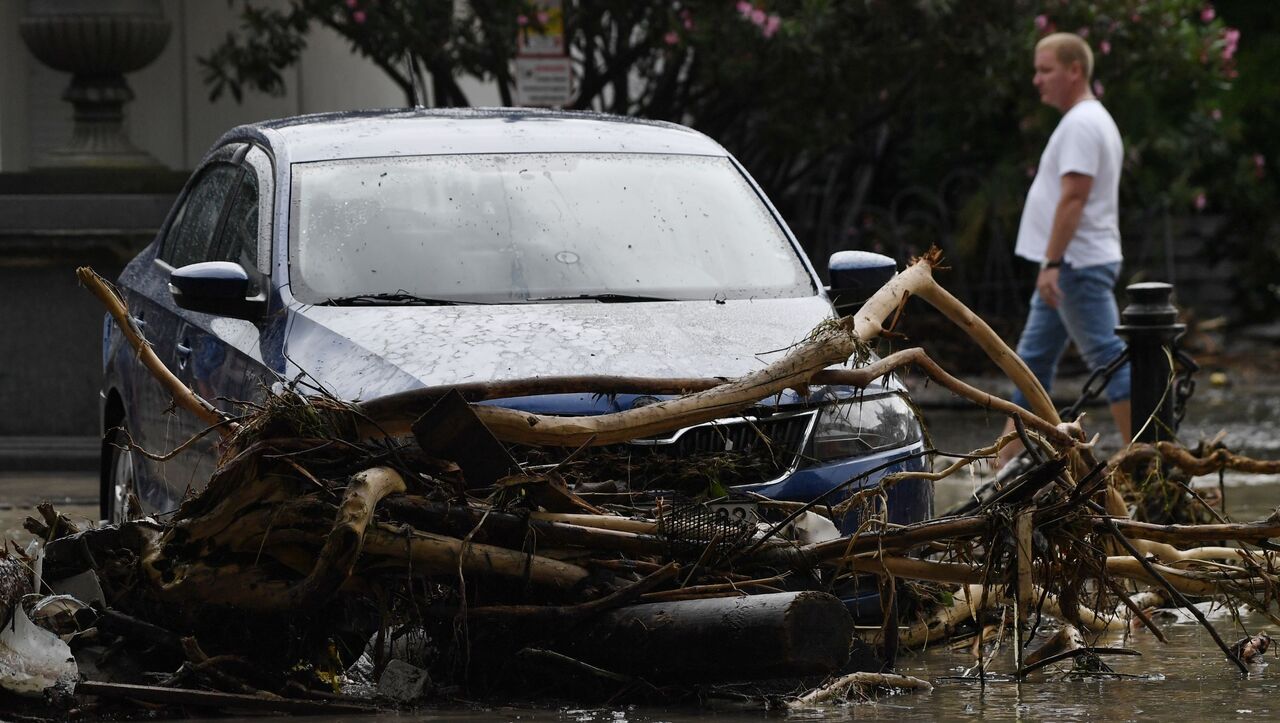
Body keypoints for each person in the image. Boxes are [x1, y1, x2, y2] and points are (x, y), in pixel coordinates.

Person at [997, 32, 1131, 468]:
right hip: (1068, 264)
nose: (1037, 79)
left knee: (1109, 360)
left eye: (1045, 69)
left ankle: (1144, 460)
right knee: (1031, 362)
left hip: (1074, 264)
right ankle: (1002, 461)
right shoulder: (1088, 120)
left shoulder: (1081, 124)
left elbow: (1073, 197)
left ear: (1075, 70)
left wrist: (1052, 262)